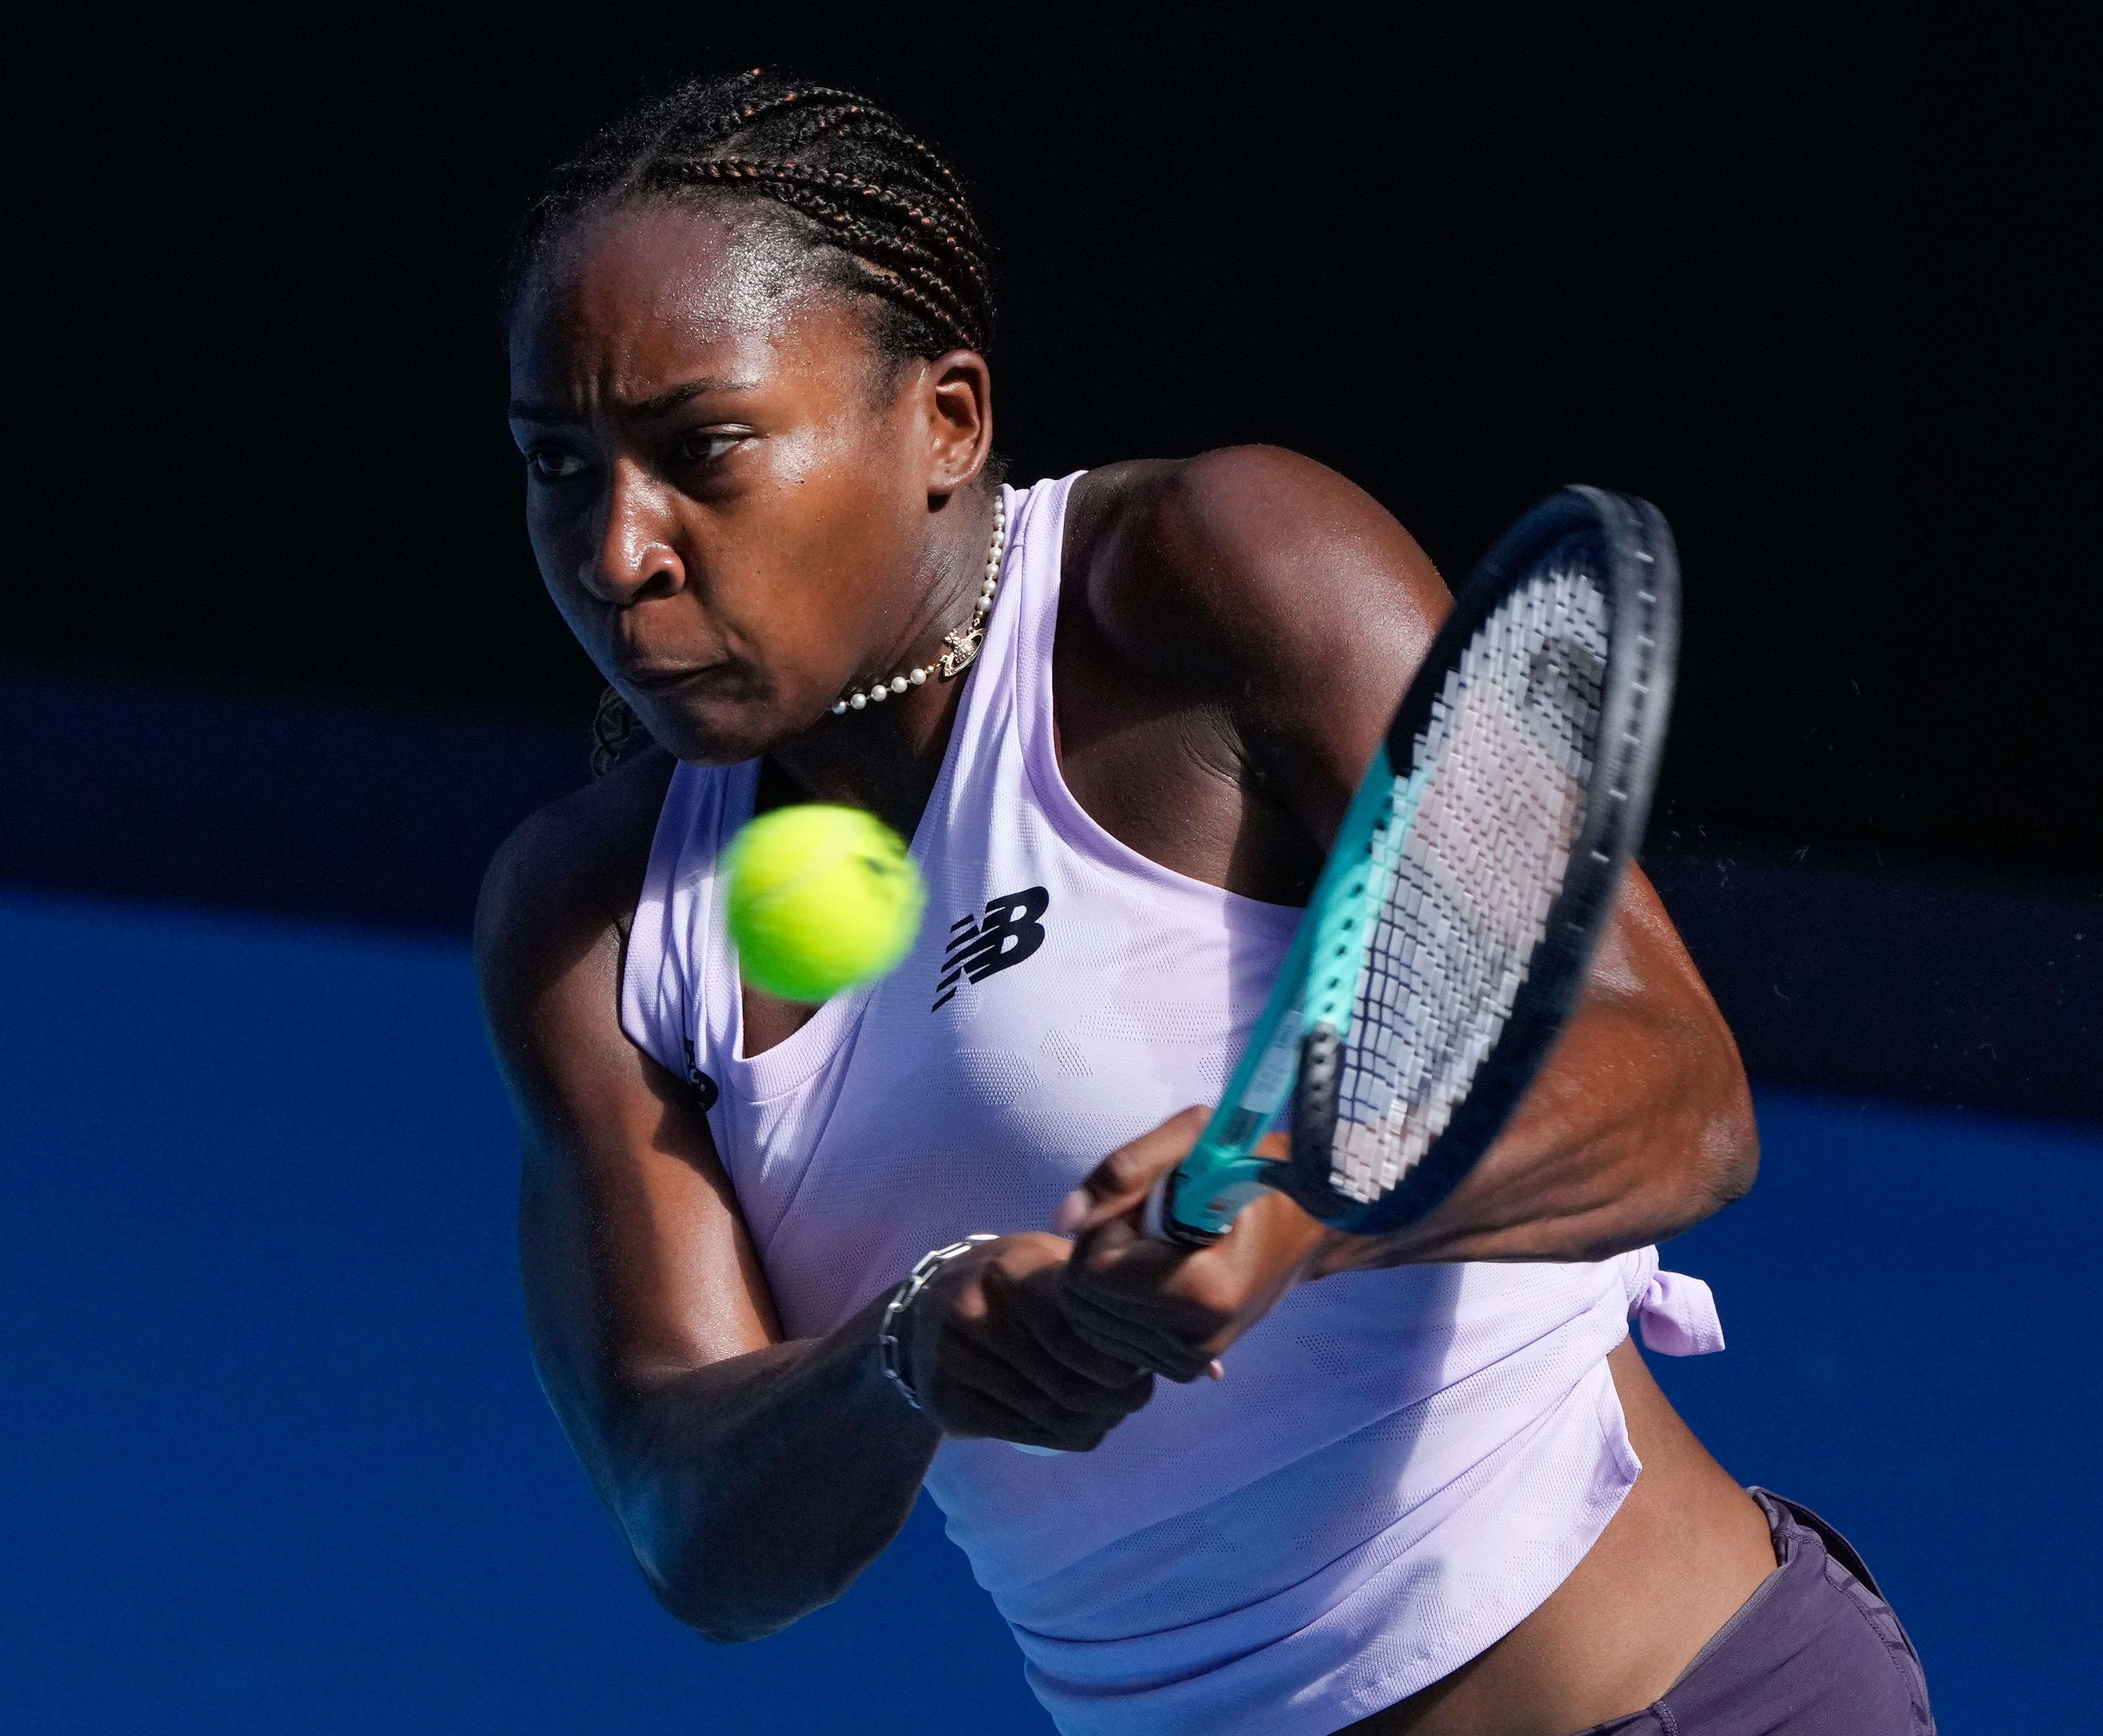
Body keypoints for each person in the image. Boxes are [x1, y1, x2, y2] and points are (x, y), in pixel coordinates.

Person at [475, 71, 1933, 1735]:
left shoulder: (1206, 573)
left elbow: (1682, 1096)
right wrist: (908, 1356)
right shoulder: (589, 922)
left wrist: (1307, 1200)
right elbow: (696, 1531)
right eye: (553, 464)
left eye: (699, 450)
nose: (615, 551)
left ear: (944, 422)